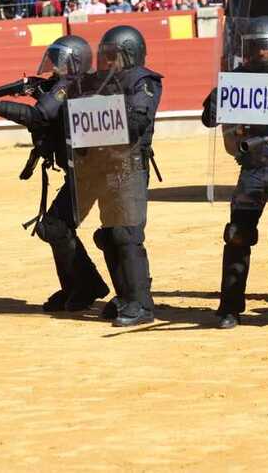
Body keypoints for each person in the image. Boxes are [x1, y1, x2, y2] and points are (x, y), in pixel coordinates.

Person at [0, 36, 111, 313]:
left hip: (91, 170)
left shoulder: (70, 84)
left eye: (58, 61)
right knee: (54, 227)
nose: (53, 66)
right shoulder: (69, 85)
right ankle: (78, 286)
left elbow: (39, 117)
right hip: (85, 169)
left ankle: (86, 287)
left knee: (55, 226)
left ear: (73, 62)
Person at [200, 16, 268, 329]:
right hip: (252, 168)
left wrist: (250, 86)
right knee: (237, 235)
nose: (261, 53)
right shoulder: (237, 76)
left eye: (265, 47)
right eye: (254, 47)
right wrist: (221, 92)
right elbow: (208, 117)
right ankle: (230, 307)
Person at [89, 25, 163, 327]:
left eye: (111, 55)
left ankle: (142, 305)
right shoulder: (103, 81)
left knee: (128, 234)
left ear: (128, 54)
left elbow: (135, 120)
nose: (105, 61)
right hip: (104, 166)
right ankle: (125, 296)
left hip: (130, 165)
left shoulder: (142, 82)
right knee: (110, 234)